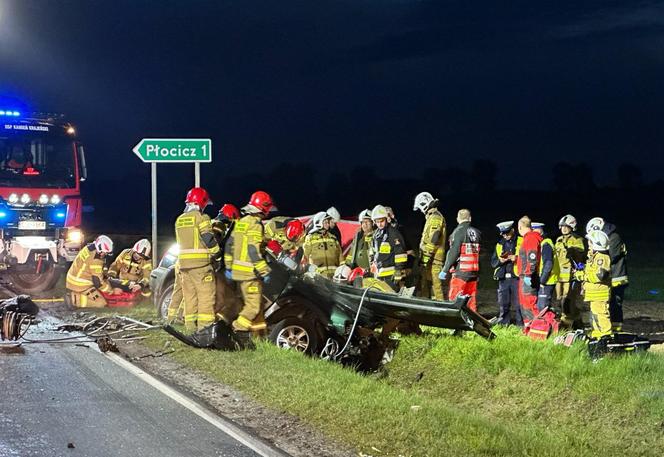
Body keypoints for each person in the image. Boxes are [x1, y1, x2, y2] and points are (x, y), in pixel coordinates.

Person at [223, 191, 274, 343]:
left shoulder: (241, 222)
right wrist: (264, 270)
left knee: (244, 304)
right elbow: (253, 250)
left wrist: (229, 267)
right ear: (263, 207)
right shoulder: (255, 225)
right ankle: (237, 329)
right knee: (253, 307)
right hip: (249, 274)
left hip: (238, 273)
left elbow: (229, 245)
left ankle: (248, 336)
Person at [175, 187, 220, 332]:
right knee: (206, 298)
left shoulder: (179, 220)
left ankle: (190, 329)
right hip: (200, 266)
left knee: (190, 299)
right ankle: (205, 330)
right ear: (202, 202)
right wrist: (217, 254)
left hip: (184, 266)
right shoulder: (202, 218)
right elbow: (208, 238)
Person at [587, 217, 629, 332]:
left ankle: (615, 330)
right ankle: (607, 327)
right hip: (609, 277)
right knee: (606, 305)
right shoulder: (608, 237)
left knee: (615, 304)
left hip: (617, 277)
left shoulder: (614, 237)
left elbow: (610, 257)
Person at [440, 209, 481, 311]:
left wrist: (445, 269)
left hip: (461, 271)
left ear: (458, 219)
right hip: (473, 271)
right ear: (470, 219)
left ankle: (454, 321)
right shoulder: (477, 232)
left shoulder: (458, 232)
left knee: (455, 297)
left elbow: (454, 252)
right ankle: (472, 321)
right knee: (471, 299)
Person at [576, 230, 612, 339]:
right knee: (595, 315)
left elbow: (600, 276)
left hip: (600, 293)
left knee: (601, 314)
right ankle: (597, 334)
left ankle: (606, 336)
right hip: (594, 293)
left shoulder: (602, 257)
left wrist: (584, 276)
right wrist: (581, 273)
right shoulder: (594, 256)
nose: (588, 244)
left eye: (590, 242)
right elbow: (591, 272)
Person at [413, 192, 447, 300]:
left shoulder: (435, 218)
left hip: (434, 260)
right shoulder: (431, 217)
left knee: (436, 289)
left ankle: (441, 312)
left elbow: (433, 239)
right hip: (431, 260)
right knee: (427, 287)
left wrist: (425, 259)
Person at [66, 235, 115, 307]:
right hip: (80, 284)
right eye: (104, 253)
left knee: (104, 284)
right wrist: (110, 290)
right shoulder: (96, 260)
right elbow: (98, 282)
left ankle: (76, 295)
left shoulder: (89, 248)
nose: (105, 254)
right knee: (101, 303)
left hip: (74, 277)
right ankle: (74, 299)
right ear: (100, 249)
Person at [555, 214, 586, 327]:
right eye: (562, 226)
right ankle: (577, 319)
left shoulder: (577, 240)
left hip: (570, 275)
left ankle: (565, 322)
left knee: (567, 299)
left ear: (572, 227)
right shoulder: (558, 240)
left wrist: (573, 251)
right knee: (559, 300)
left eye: (566, 226)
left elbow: (581, 257)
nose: (563, 228)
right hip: (558, 276)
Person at [490, 221, 522, 326]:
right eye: (503, 234)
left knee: (519, 304)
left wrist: (516, 258)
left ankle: (520, 324)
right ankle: (504, 324)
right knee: (503, 303)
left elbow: (528, 257)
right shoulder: (499, 244)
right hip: (503, 278)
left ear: (512, 230)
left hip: (517, 277)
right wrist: (501, 261)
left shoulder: (521, 241)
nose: (505, 235)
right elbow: (493, 262)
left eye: (507, 233)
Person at [370, 204, 407, 291]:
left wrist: (398, 270)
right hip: (378, 275)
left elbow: (400, 254)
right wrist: (372, 262)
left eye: (382, 221)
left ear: (386, 219)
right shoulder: (376, 234)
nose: (380, 224)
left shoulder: (393, 233)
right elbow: (373, 250)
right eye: (377, 221)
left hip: (390, 276)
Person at [515, 216, 542, 326]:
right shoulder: (529, 237)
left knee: (529, 303)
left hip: (528, 276)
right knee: (525, 304)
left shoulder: (531, 238)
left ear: (520, 227)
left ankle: (535, 328)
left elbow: (532, 257)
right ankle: (529, 327)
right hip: (526, 276)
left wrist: (528, 274)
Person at [303, 211, 343, 278]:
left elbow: (340, 256)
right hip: (318, 278)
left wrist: (342, 269)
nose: (328, 224)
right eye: (326, 222)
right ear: (319, 222)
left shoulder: (333, 238)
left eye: (328, 222)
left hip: (334, 277)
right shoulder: (310, 238)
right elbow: (305, 257)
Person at [532, 223, 560, 312]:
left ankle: (548, 325)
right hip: (547, 279)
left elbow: (548, 264)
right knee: (543, 305)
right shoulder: (544, 243)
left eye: (534, 231)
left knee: (542, 307)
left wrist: (542, 281)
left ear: (540, 231)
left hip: (547, 280)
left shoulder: (546, 244)